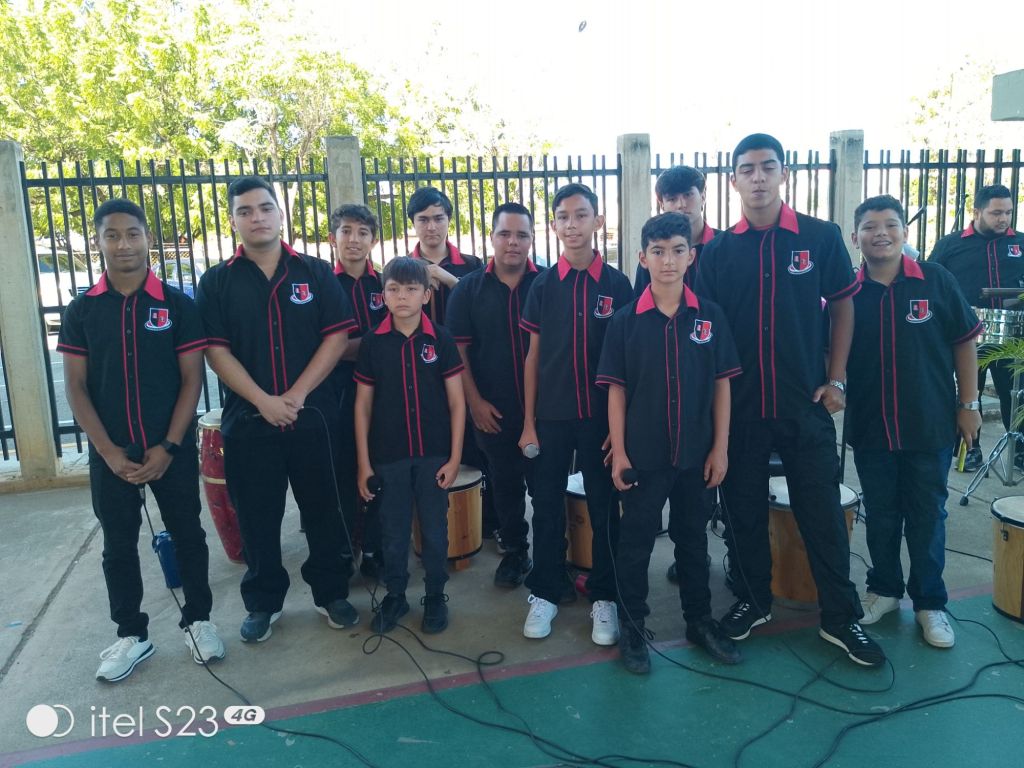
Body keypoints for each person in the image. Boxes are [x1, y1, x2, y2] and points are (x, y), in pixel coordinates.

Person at [695, 133, 885, 667]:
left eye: (767, 167)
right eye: (747, 169)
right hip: (741, 409)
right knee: (743, 512)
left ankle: (840, 617)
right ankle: (753, 601)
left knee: (821, 512)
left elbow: (844, 307)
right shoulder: (718, 252)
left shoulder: (820, 238)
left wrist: (836, 379)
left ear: (784, 174)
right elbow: (707, 332)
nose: (758, 177)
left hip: (806, 403)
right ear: (733, 180)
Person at [59, 198, 224, 681]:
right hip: (111, 456)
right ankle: (131, 634)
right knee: (118, 544)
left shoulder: (176, 305)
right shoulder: (83, 310)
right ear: (98, 242)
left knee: (188, 534)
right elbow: (75, 386)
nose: (123, 244)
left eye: (132, 233)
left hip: (168, 450)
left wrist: (169, 446)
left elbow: (191, 379)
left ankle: (199, 620)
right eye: (112, 235)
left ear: (148, 238)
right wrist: (108, 452)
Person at [197, 177, 358, 643]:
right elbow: (216, 351)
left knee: (324, 511)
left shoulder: (315, 273)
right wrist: (264, 401)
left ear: (280, 214)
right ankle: (264, 602)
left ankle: (331, 593)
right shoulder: (217, 281)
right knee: (257, 518)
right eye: (245, 211)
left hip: (313, 416)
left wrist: (297, 395)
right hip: (250, 422)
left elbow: (337, 337)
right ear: (233, 220)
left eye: (265, 208)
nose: (257, 217)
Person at [597, 212, 742, 674]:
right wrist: (620, 453)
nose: (668, 261)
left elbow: (722, 384)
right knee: (636, 542)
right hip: (644, 455)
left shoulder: (709, 317)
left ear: (691, 256)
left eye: (678, 250)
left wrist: (720, 447)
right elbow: (616, 391)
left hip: (697, 453)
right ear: (643, 258)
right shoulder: (625, 322)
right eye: (657, 252)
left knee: (693, 540)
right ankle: (633, 626)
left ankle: (699, 621)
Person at [847, 195, 982, 648]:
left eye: (890, 224)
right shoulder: (848, 294)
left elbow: (965, 342)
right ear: (855, 237)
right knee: (881, 513)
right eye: (870, 226)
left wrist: (969, 404)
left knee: (927, 515)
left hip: (929, 423)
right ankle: (884, 590)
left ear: (905, 232)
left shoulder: (936, 280)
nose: (880, 233)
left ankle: (930, 602)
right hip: (871, 426)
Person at [518, 182, 634, 644]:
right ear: (554, 225)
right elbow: (532, 357)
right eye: (563, 217)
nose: (572, 224)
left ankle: (605, 596)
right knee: (546, 506)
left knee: (604, 507)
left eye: (581, 215)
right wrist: (528, 422)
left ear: (598, 221)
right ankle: (545, 590)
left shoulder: (618, 285)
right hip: (550, 416)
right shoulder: (543, 285)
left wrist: (620, 431)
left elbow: (629, 362)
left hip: (601, 422)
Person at [354, 257, 466, 634]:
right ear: (383, 295)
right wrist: (364, 464)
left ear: (427, 295)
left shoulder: (441, 339)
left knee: (434, 530)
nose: (402, 296)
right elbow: (363, 406)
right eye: (394, 289)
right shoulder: (373, 343)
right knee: (394, 530)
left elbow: (457, 402)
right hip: (389, 457)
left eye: (411, 289)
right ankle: (396, 595)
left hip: (434, 455)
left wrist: (455, 457)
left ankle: (435, 595)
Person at [446, 202, 543, 587]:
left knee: (546, 488)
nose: (513, 242)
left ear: (532, 240)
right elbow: (458, 352)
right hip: (492, 409)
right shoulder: (468, 290)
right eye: (505, 234)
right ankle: (516, 551)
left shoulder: (548, 285)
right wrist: (474, 403)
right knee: (505, 485)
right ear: (492, 237)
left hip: (545, 412)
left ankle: (553, 558)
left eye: (521, 235)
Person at [928, 184, 1024, 472]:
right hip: (964, 336)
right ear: (977, 211)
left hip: (1012, 337)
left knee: (1016, 394)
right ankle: (968, 450)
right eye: (996, 213)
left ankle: (1020, 450)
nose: (1003, 219)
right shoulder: (950, 245)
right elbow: (932, 285)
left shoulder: (1020, 242)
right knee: (968, 395)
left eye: (1008, 212)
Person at [329, 203, 388, 580]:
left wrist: (347, 347)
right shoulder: (322, 284)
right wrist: (368, 345)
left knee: (380, 468)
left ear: (373, 240)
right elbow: (321, 348)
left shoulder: (384, 283)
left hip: (383, 393)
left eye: (363, 232)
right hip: (337, 393)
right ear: (332, 237)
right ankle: (344, 547)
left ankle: (374, 549)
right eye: (346, 231)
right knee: (342, 471)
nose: (354, 239)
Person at [634, 165, 718, 298]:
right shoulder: (654, 253)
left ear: (703, 197)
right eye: (672, 199)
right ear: (662, 204)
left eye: (688, 195)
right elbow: (642, 303)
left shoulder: (723, 245)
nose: (681, 205)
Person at [407, 186, 483, 325]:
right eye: (423, 220)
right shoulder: (401, 268)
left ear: (449, 220)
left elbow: (483, 310)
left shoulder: (473, 265)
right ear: (413, 222)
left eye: (438, 219)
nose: (431, 227)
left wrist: (452, 281)